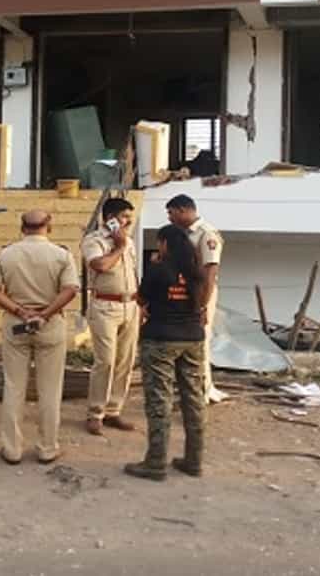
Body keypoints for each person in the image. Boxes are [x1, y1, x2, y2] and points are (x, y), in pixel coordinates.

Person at [0, 210, 80, 465]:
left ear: (22, 227)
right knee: (50, 389)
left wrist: (19, 311)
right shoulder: (61, 255)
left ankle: (12, 449)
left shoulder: (5, 254)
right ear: (49, 226)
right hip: (49, 323)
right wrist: (45, 314)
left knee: (14, 387)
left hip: (16, 322)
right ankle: (47, 448)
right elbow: (70, 289)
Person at [124, 224, 208, 481]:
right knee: (193, 399)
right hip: (193, 338)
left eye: (160, 243)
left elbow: (141, 298)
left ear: (165, 244)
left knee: (159, 400)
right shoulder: (197, 272)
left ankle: (155, 462)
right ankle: (194, 461)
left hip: (161, 339)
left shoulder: (159, 270)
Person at [81, 197, 141, 435]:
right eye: (124, 217)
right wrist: (119, 247)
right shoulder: (94, 240)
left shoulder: (129, 241)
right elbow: (100, 266)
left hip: (130, 304)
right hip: (105, 305)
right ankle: (95, 412)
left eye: (129, 217)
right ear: (110, 219)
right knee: (105, 361)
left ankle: (113, 410)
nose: (128, 222)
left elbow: (132, 272)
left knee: (125, 361)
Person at [165, 194, 227, 403]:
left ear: (183, 210)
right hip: (184, 292)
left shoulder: (206, 234)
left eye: (171, 213)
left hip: (200, 292)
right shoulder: (182, 234)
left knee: (200, 341)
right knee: (186, 342)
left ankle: (201, 392)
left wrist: (202, 305)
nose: (170, 218)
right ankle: (190, 389)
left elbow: (210, 272)